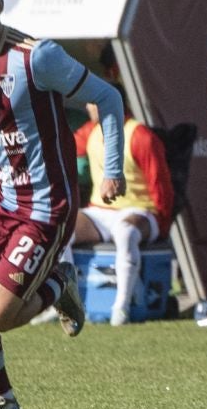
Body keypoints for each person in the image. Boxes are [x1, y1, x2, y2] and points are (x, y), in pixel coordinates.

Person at [0, 0, 118, 409]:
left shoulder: (35, 56)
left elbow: (108, 96)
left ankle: (60, 280)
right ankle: (1, 399)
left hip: (45, 204)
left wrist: (112, 168)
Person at [70, 104, 173, 326]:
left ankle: (122, 307)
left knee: (125, 232)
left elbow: (161, 183)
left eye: (95, 101)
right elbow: (65, 148)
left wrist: (162, 222)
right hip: (100, 211)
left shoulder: (140, 135)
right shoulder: (91, 130)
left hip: (139, 210)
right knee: (59, 228)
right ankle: (66, 302)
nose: (89, 106)